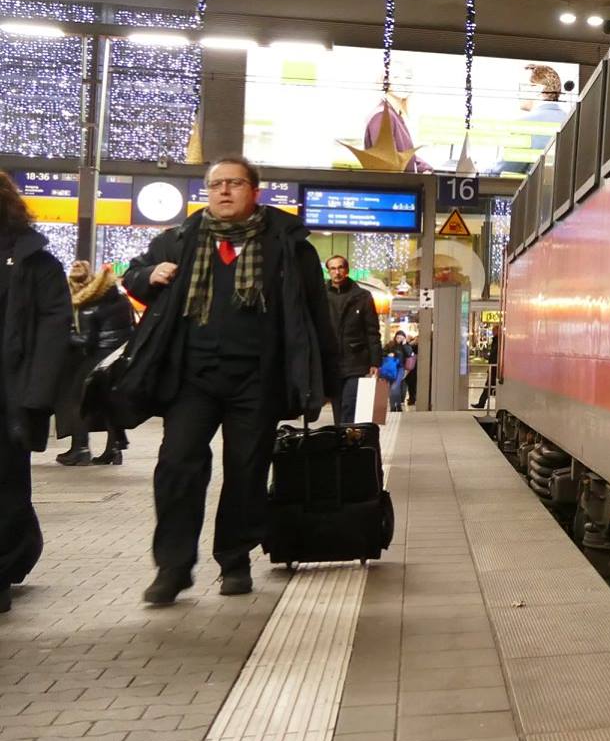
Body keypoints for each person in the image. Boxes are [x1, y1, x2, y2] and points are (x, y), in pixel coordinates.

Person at [117, 156, 341, 605]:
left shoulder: (288, 245)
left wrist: (326, 382)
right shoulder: (180, 239)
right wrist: (148, 275)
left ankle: (235, 559)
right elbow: (133, 278)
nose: (223, 191)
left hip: (257, 378)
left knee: (246, 470)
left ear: (254, 192)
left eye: (234, 183)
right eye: (216, 184)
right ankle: (173, 567)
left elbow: (315, 315)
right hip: (191, 378)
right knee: (177, 465)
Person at [0, 173, 69, 612]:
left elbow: (54, 328)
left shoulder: (35, 261)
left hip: (10, 392)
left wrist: (36, 395)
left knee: (6, 483)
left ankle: (3, 570)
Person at [53, 262, 134, 466]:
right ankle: (114, 450)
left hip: (98, 357)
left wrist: (65, 334)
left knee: (77, 400)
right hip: (119, 356)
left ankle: (80, 449)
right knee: (109, 403)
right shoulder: (120, 298)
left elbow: (86, 340)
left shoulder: (90, 304)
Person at [324, 255, 381, 423]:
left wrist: (375, 362)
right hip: (332, 363)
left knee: (349, 406)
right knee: (338, 407)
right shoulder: (321, 296)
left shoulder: (362, 296)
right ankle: (344, 436)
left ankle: (347, 435)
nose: (337, 272)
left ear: (347, 270)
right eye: (333, 268)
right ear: (328, 272)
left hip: (356, 362)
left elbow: (372, 330)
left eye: (340, 268)